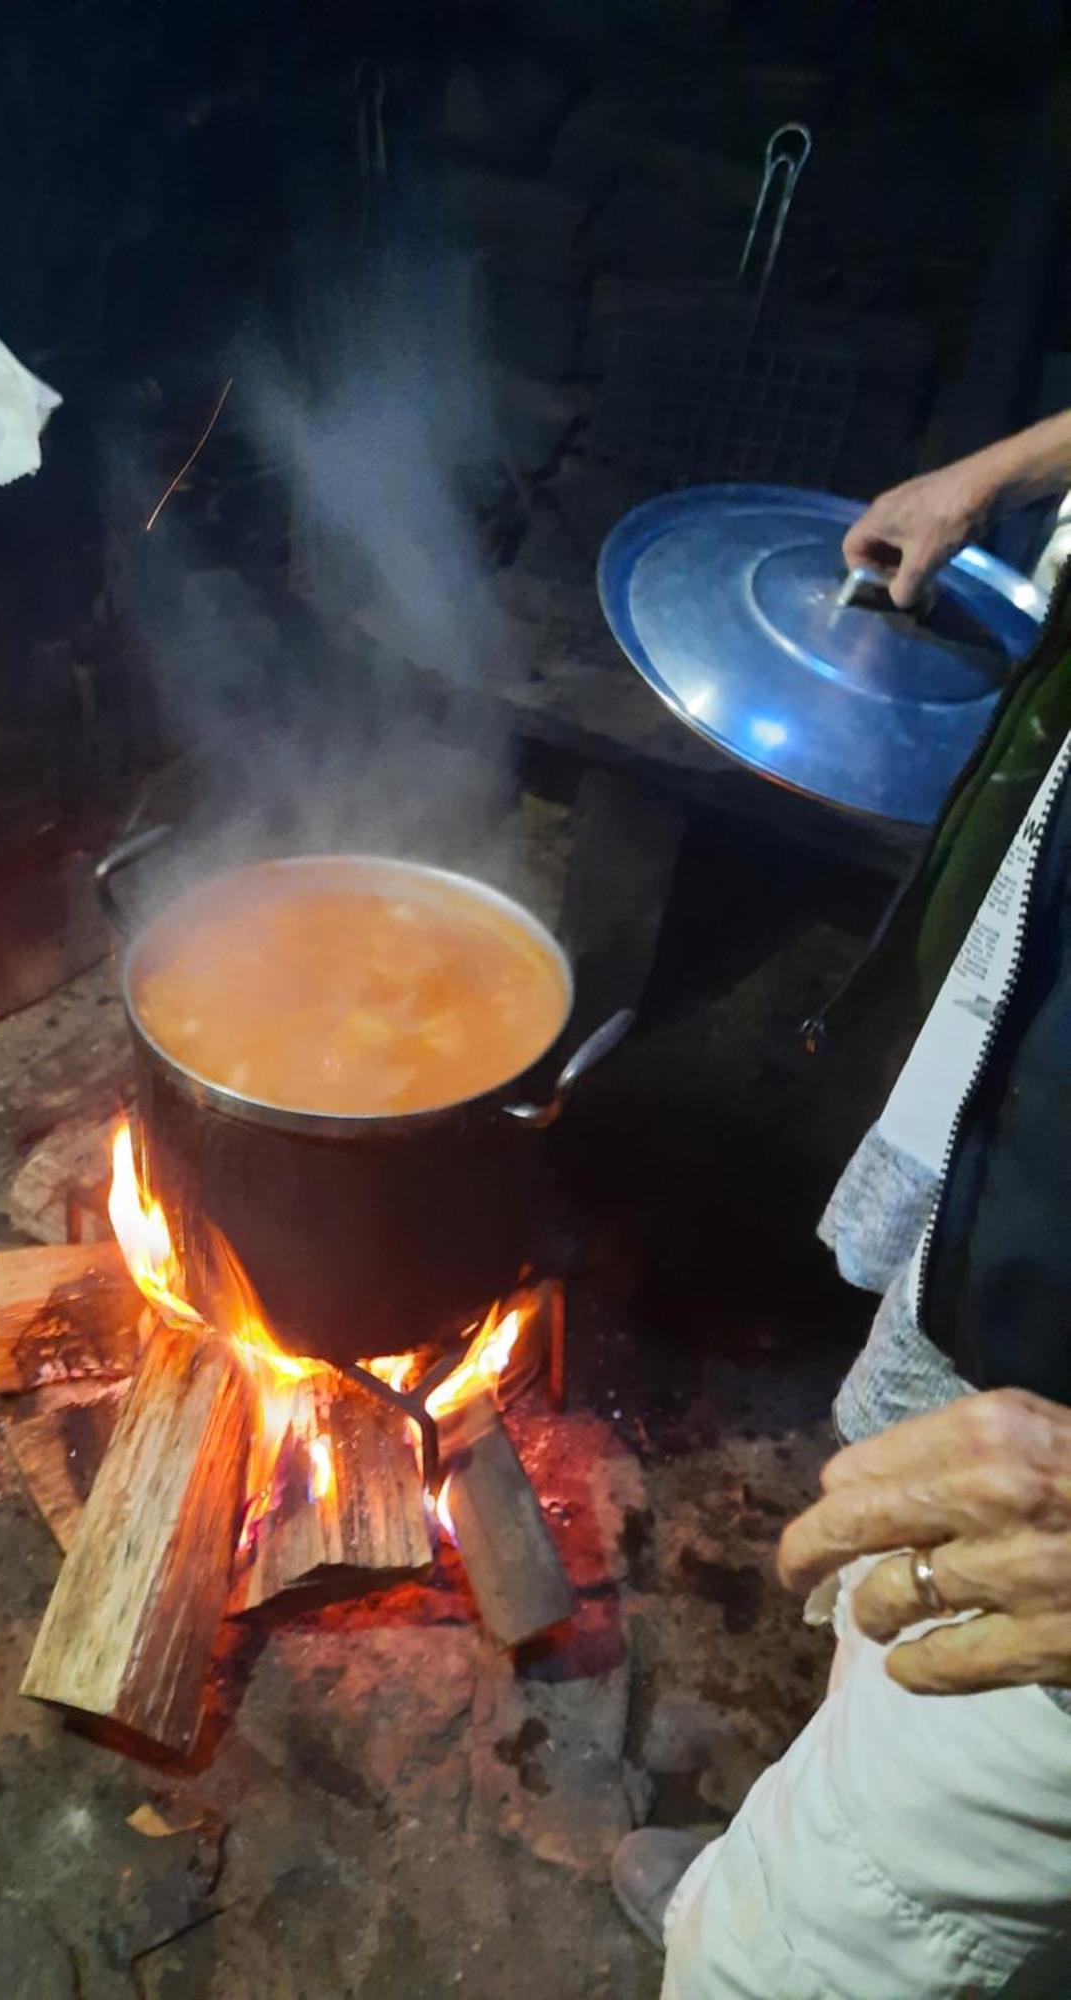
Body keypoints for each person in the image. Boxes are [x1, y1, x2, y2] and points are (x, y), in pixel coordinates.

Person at [610, 417, 1071, 1998]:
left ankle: (784, 1925)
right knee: (898, 1616)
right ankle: (786, 1854)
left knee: (814, 1960)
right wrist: (1008, 472)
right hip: (1029, 1242)